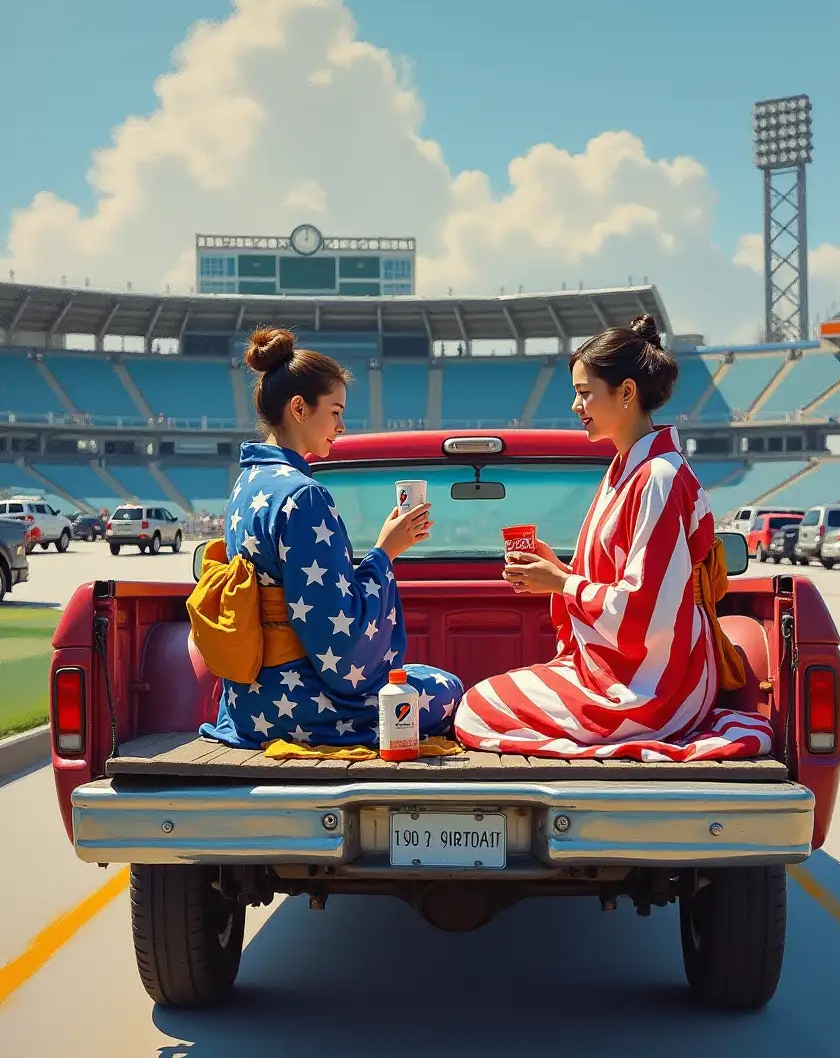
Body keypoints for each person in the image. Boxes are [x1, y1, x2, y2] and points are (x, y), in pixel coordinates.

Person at [454, 315, 772, 761]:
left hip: (654, 687)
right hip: (631, 671)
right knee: (481, 702)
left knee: (475, 707)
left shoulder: (658, 476)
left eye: (585, 394)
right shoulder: (629, 470)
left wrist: (562, 583)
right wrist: (559, 570)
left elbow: (646, 610)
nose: (575, 406)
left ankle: (604, 746)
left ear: (626, 393)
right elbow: (629, 589)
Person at [193, 327, 462, 749]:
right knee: (445, 689)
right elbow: (342, 645)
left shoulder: (246, 484)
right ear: (299, 408)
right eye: (335, 411)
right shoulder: (304, 495)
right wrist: (384, 553)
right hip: (298, 705)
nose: (341, 425)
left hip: (248, 705)